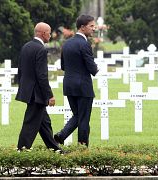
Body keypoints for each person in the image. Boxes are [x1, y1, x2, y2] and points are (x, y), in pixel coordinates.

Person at [16, 22, 62, 153]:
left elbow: (21, 70)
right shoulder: (41, 50)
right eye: (49, 32)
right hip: (36, 93)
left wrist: (23, 88)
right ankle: (22, 149)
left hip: (29, 91)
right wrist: (49, 95)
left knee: (44, 122)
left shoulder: (26, 46)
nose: (50, 35)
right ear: (42, 33)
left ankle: (54, 148)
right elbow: (42, 76)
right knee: (31, 122)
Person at [54, 15, 99, 147]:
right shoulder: (85, 44)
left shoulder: (66, 44)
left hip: (69, 85)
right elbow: (92, 68)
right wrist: (96, 69)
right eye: (91, 26)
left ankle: (61, 136)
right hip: (83, 86)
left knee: (78, 115)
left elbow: (63, 66)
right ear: (82, 27)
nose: (94, 29)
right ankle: (81, 148)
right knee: (83, 118)